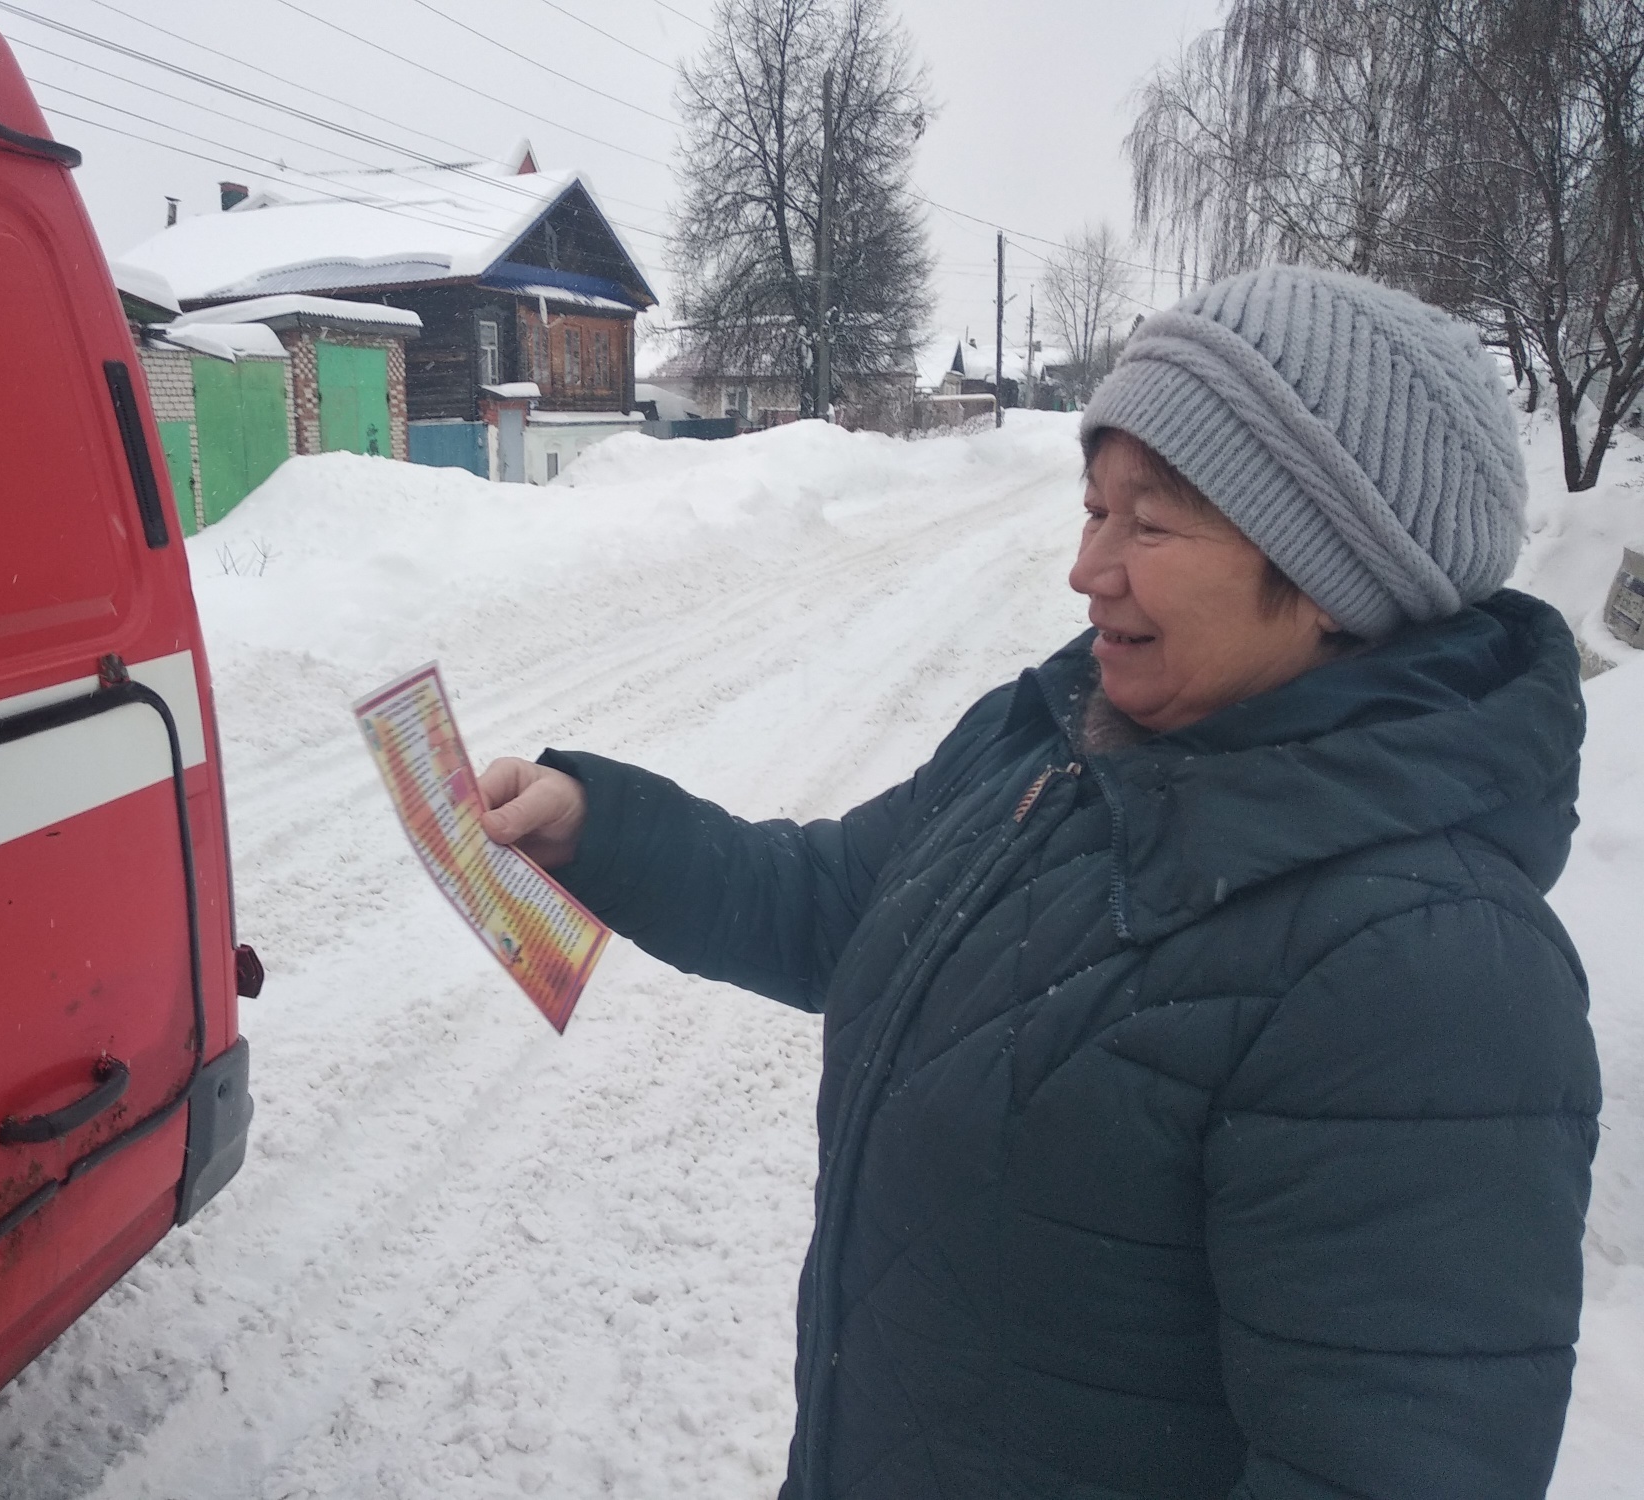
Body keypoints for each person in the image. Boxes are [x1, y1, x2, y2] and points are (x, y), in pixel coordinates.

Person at [478, 265, 1602, 1500]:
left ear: (1336, 575)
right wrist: (599, 828)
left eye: (1151, 522)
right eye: (1092, 508)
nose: (1088, 569)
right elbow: (827, 903)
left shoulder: (1428, 975)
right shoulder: (1057, 742)